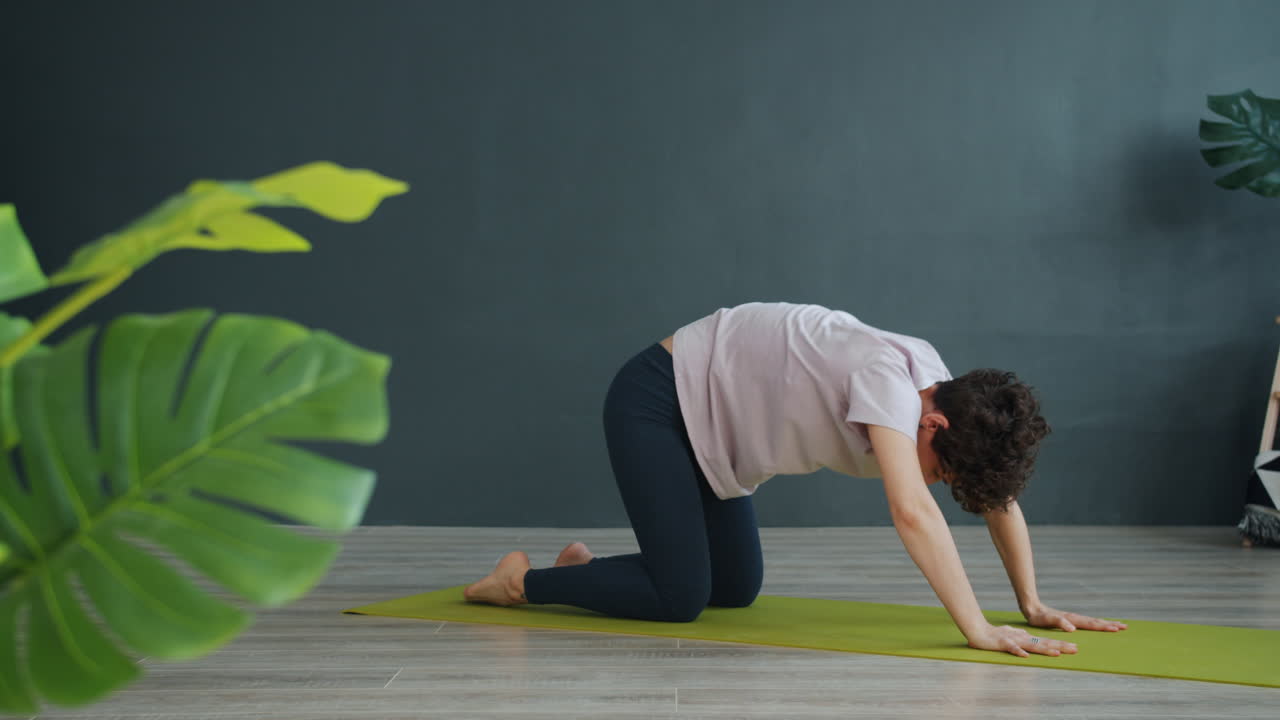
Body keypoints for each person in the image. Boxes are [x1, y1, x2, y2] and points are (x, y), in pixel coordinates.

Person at [464, 301, 1127, 658]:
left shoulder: (946, 394)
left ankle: (591, 570)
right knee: (681, 597)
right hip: (658, 403)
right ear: (934, 430)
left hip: (716, 438)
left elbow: (996, 495)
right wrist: (978, 628)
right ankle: (519, 581)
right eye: (940, 472)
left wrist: (1033, 603)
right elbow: (911, 513)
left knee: (735, 588)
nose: (934, 483)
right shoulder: (891, 389)